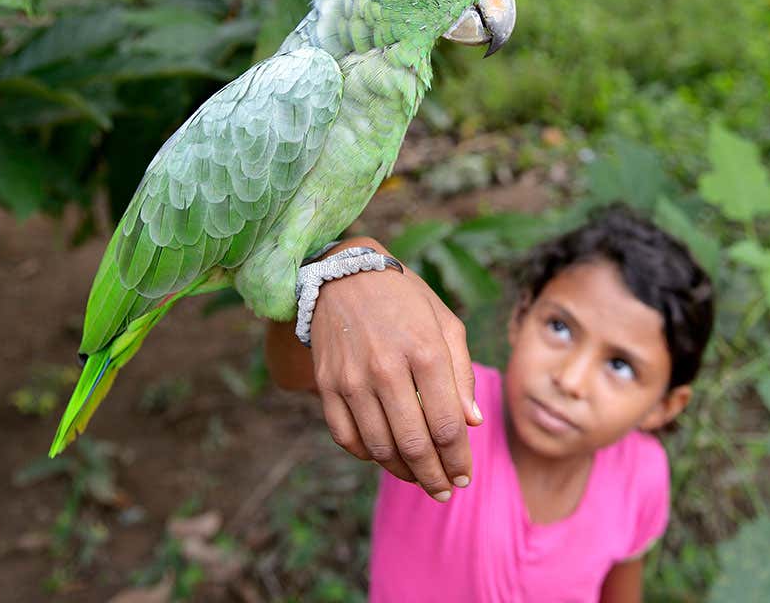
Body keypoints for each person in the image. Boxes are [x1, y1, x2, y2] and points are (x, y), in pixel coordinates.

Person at [265, 206, 714, 601]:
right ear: (520, 318)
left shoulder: (643, 475)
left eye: (620, 366)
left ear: (666, 406)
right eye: (559, 327)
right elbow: (296, 374)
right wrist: (336, 273)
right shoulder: (444, 397)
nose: (570, 380)